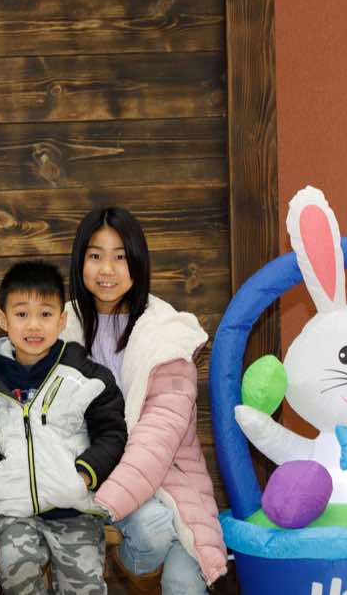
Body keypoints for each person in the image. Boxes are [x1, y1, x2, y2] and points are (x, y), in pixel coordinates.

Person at [63, 207, 228, 593]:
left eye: (120, 257)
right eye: (95, 255)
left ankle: (134, 559)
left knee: (182, 568)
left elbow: (158, 437)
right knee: (153, 527)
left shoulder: (166, 337)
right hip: (87, 473)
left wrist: (104, 503)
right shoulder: (59, 326)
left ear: (138, 262)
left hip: (168, 478)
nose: (107, 269)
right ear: (79, 261)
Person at [0, 261, 127, 594]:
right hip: (13, 511)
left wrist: (85, 474)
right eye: (21, 314)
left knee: (84, 587)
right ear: (3, 320)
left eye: (45, 314)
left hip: (74, 509)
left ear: (62, 320)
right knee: (17, 573)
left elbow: (112, 434)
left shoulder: (86, 377)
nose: (34, 325)